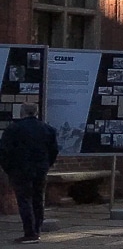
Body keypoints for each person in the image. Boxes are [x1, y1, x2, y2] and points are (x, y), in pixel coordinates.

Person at [0, 104, 58, 244]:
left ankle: (29, 232)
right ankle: (36, 230)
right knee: (38, 199)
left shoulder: (13, 129)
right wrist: (46, 165)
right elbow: (54, 150)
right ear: (36, 112)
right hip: (40, 169)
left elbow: (4, 151)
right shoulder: (47, 129)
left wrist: (8, 168)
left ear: (22, 113)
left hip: (20, 170)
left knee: (24, 200)